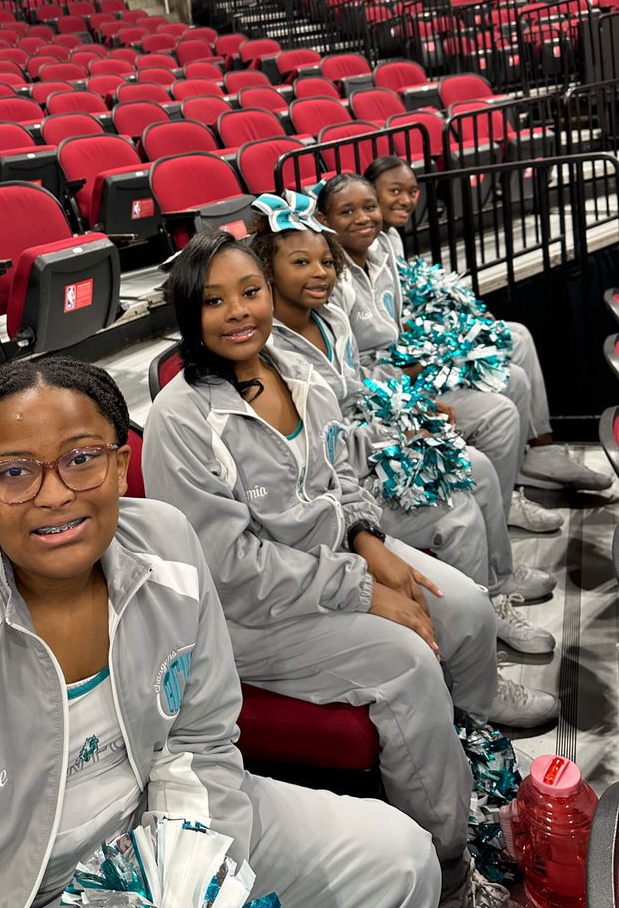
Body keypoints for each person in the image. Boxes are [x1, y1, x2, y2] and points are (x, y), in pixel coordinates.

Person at [0, 356, 441, 908]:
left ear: (121, 466)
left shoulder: (171, 546)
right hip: (6, 891)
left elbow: (201, 737)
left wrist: (188, 873)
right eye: (13, 472)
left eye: (82, 458)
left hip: (165, 829)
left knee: (399, 858)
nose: (55, 494)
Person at [142, 231, 558, 908]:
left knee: (464, 607)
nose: (239, 312)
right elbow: (231, 570)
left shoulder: (300, 374)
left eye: (250, 292)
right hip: (247, 618)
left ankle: (476, 749)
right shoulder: (180, 419)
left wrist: (371, 544)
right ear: (190, 315)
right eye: (214, 301)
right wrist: (366, 591)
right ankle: (449, 866)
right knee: (407, 663)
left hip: (330, 566)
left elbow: (346, 477)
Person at [249, 190, 554, 657]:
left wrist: (412, 405)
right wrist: (403, 431)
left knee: (480, 468)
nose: (319, 272)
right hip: (344, 479)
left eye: (326, 262)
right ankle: (469, 650)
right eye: (300, 263)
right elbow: (328, 448)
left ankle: (495, 590)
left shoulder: (330, 317)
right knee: (460, 508)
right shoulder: (274, 354)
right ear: (268, 273)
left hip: (372, 436)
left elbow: (360, 386)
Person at [315, 174, 555, 614]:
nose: (365, 217)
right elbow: (357, 381)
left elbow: (396, 328)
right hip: (386, 395)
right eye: (346, 211)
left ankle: (515, 493)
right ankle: (491, 583)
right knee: (496, 420)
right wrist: (412, 389)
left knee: (512, 356)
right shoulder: (331, 286)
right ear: (324, 220)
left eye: (369, 206)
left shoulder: (385, 244)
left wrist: (434, 346)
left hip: (399, 376)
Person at [364, 154, 611, 508]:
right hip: (400, 373)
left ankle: (540, 450)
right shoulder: (360, 251)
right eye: (394, 191)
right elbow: (387, 337)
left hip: (417, 344)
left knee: (518, 335)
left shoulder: (391, 239)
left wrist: (457, 317)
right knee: (513, 377)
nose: (406, 200)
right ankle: (508, 491)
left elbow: (402, 311)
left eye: (413, 192)